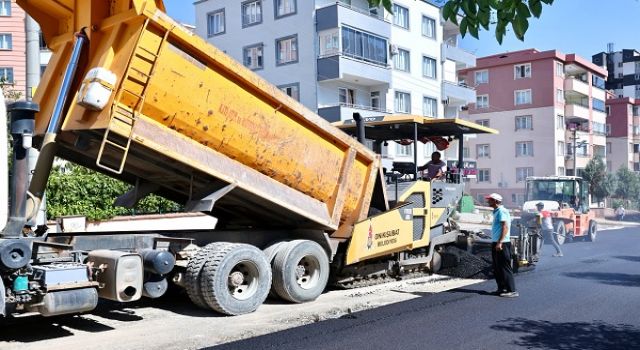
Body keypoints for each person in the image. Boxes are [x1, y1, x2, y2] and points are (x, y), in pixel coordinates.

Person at [485, 193, 518, 298]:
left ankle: (512, 290)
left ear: (495, 201)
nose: (488, 201)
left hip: (502, 243)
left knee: (504, 267)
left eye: (490, 200)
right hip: (496, 242)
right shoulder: (496, 211)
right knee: (497, 267)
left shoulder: (501, 211)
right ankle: (501, 288)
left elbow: (505, 227)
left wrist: (500, 242)